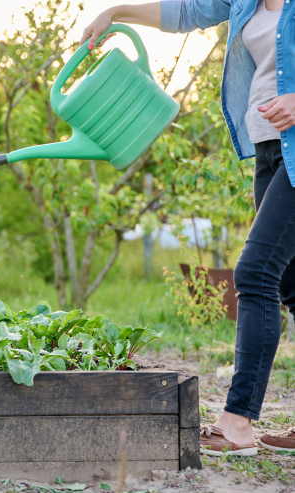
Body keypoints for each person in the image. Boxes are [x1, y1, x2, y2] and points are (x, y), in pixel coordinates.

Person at [83, 1, 295, 457]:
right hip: (269, 146)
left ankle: (237, 424)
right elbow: (186, 11)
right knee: (292, 284)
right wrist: (116, 13)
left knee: (256, 273)